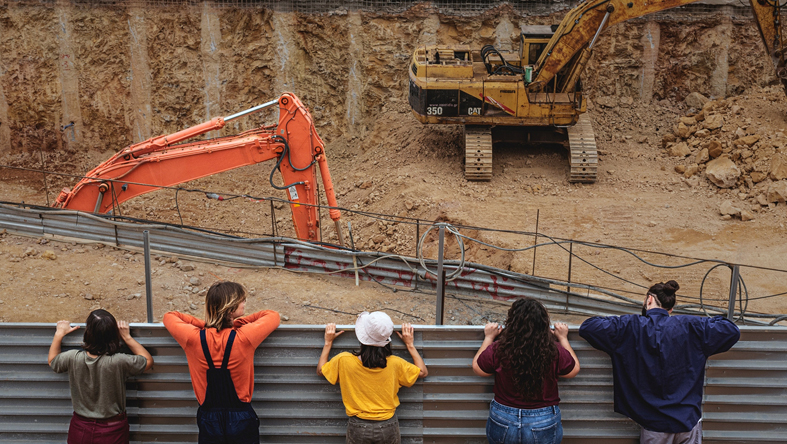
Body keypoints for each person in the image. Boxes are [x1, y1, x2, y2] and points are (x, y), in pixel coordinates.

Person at [579, 280, 740, 443]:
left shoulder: (630, 326)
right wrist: (699, 322)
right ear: (671, 308)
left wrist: (621, 322)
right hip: (688, 422)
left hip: (654, 426)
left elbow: (589, 327)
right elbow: (731, 330)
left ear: (649, 300)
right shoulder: (691, 326)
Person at [163, 281, 280, 444]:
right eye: (242, 300)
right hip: (241, 418)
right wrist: (237, 323)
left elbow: (169, 316)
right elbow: (273, 316)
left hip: (208, 420)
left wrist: (206, 325)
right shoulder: (244, 337)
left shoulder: (193, 338)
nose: (245, 302)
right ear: (230, 308)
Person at [472, 297, 580, 444]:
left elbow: (478, 368)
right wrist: (563, 338)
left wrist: (489, 337)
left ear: (512, 322)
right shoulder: (554, 350)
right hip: (543, 420)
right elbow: (573, 370)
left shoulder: (499, 348)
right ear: (543, 324)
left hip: (503, 417)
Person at [317, 311, 428, 444]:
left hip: (358, 426)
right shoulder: (395, 363)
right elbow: (422, 372)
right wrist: (410, 345)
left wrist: (328, 342)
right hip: (388, 426)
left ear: (361, 337)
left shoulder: (343, 360)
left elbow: (321, 370)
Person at [49, 309, 154, 444]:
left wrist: (59, 334)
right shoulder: (119, 361)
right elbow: (148, 361)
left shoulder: (73, 357)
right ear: (114, 335)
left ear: (87, 333)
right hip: (113, 431)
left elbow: (53, 361)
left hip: (80, 429)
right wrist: (127, 337)